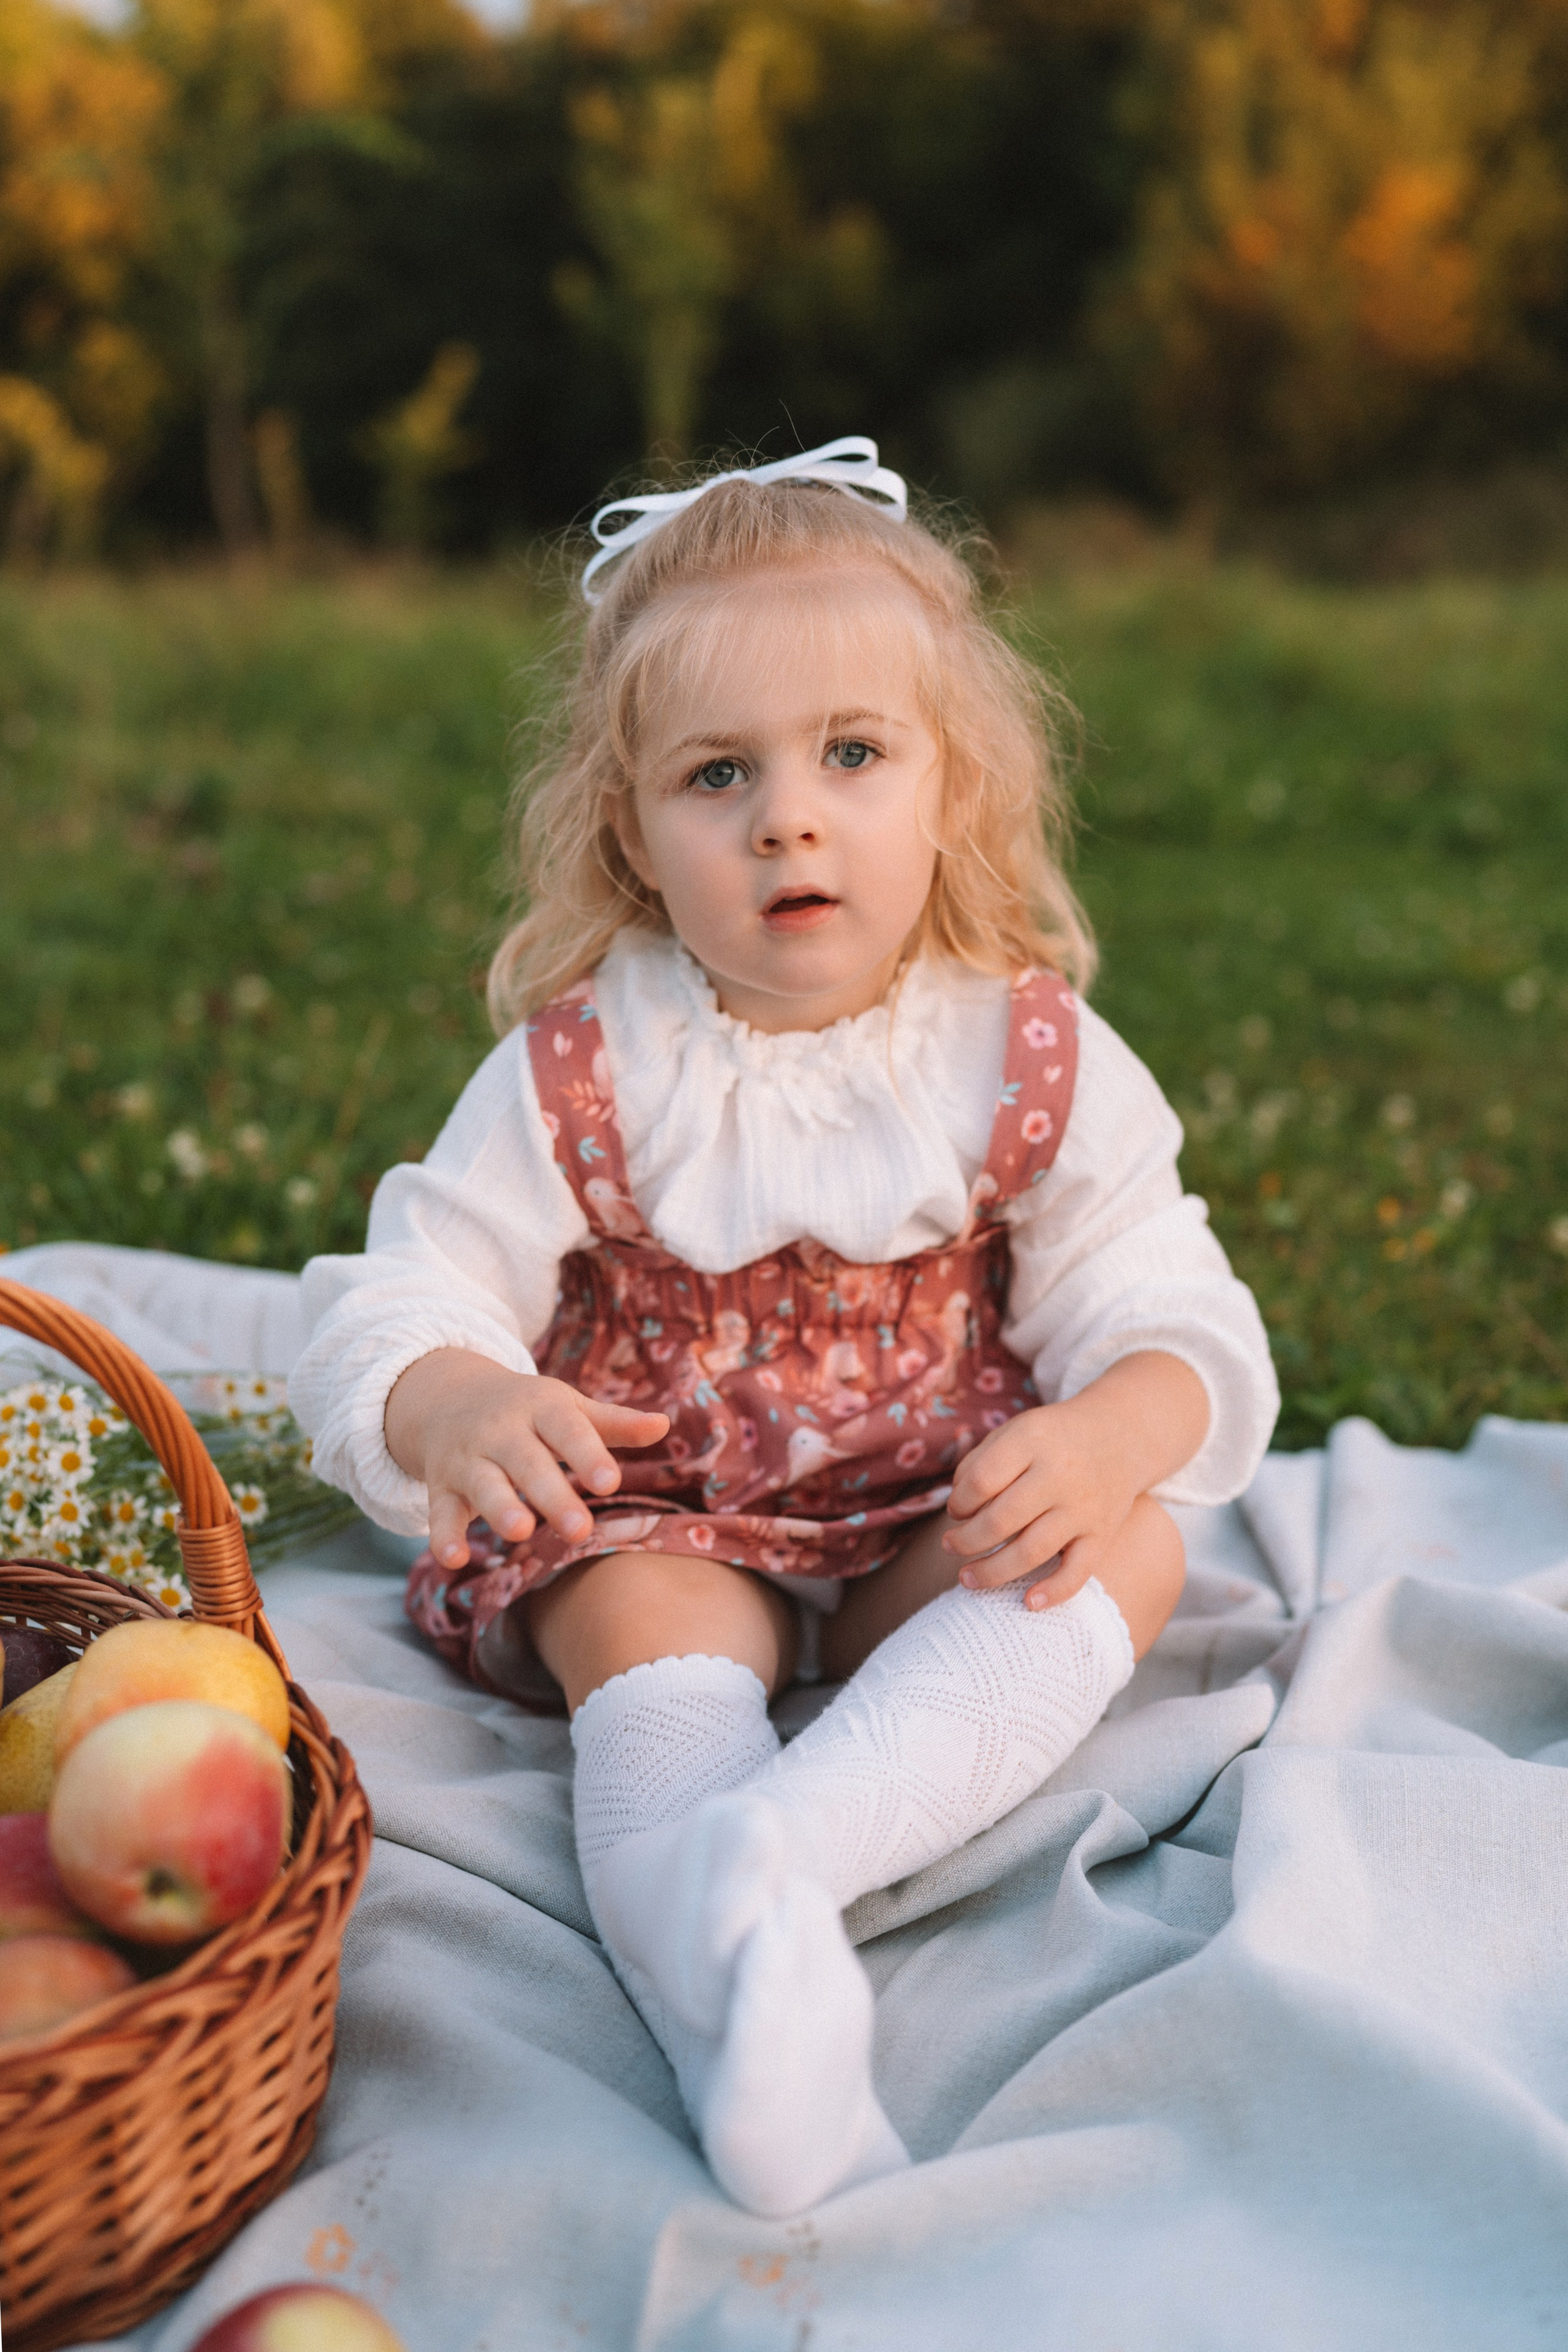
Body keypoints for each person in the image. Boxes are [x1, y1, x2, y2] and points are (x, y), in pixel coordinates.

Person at [290, 438, 1279, 2218]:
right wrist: (450, 1405)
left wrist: (1116, 1426)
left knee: (1119, 1542)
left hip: (921, 1518)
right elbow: (419, 1284)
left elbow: (1160, 1293)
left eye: (851, 755)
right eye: (717, 774)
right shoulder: (585, 1067)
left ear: (950, 789)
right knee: (641, 1606)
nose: (787, 818)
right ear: (630, 831)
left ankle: (774, 1858)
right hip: (670, 1509)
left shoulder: (1027, 1048)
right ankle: (745, 2015)